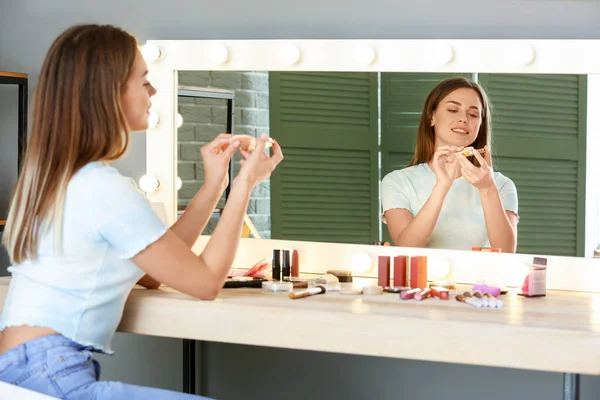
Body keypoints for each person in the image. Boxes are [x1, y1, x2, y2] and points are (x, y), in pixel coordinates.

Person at [0, 24, 282, 399]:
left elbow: (153, 268)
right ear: (110, 92)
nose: (154, 91)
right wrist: (246, 184)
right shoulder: (103, 187)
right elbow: (205, 283)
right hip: (52, 375)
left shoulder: (58, 179)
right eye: (144, 81)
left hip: (22, 369)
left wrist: (216, 184)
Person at [381, 77, 518, 252]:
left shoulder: (502, 185)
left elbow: (506, 253)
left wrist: (487, 188)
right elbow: (407, 248)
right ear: (432, 117)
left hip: (480, 280)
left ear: (480, 124)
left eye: (473, 114)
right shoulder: (397, 182)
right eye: (453, 110)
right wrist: (442, 186)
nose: (463, 119)